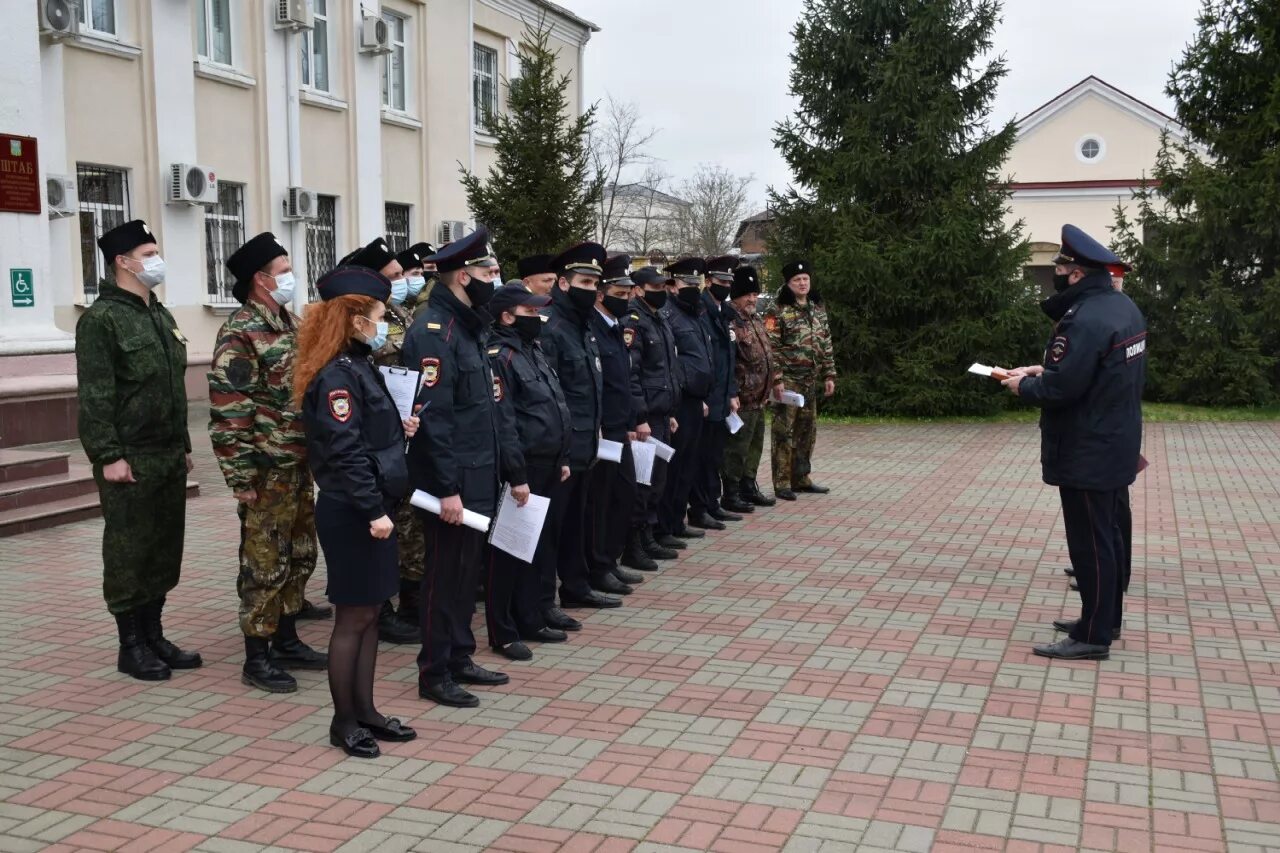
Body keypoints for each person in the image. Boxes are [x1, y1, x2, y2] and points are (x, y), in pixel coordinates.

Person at [1001, 224, 1146, 661]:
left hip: (1088, 446)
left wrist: (1022, 387)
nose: (1057, 274)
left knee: (1090, 542)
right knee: (1111, 534)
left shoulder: (1084, 318)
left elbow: (1065, 390)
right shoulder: (1122, 307)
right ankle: (1104, 619)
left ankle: (1093, 637)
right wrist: (1044, 371)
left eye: (1061, 267)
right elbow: (1098, 372)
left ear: (1078, 273)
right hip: (1115, 438)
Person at [296, 265, 419, 757]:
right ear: (354, 320)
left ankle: (365, 710)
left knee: (369, 614)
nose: (382, 323)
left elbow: (366, 436)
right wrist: (373, 511)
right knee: (352, 619)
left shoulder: (359, 365)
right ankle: (343, 722)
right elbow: (344, 452)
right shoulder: (337, 378)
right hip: (354, 513)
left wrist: (398, 432)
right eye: (377, 315)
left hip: (371, 508)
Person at [76, 219, 201, 682]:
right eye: (147, 254)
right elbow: (95, 395)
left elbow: (173, 388)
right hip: (129, 454)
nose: (155, 261)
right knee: (130, 551)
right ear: (122, 263)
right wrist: (108, 455)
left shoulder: (159, 314)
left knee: (164, 548)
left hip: (167, 452)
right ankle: (131, 644)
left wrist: (185, 445)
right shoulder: (100, 320)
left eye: (155, 252)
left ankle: (154, 634)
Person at [209, 232, 325, 693]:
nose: (291, 278)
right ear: (260, 279)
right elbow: (229, 410)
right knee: (264, 560)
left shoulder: (291, 324)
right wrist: (240, 478)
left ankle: (288, 637)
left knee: (299, 553)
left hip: (298, 463)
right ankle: (257, 656)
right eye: (283, 270)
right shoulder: (239, 332)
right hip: (265, 468)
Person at [402, 228, 510, 707]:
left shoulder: (468, 325)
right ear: (464, 276)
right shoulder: (433, 331)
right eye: (489, 272)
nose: (495, 279)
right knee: (443, 577)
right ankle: (434, 670)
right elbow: (432, 419)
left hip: (478, 475)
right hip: (453, 484)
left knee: (467, 576)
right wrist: (446, 488)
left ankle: (460, 654)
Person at [484, 284, 574, 661]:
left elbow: (552, 403)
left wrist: (562, 456)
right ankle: (502, 631)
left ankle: (530, 616)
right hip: (524, 467)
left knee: (536, 549)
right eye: (530, 312)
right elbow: (505, 423)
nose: (538, 319)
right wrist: (517, 475)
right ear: (508, 316)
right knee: (508, 552)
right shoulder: (500, 356)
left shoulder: (530, 350)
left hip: (548, 462)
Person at [343, 238, 419, 644]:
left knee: (402, 527)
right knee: (375, 526)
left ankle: (398, 601)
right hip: (369, 442)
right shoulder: (354, 333)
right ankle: (381, 609)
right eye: (392, 277)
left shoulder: (396, 313)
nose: (401, 282)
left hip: (395, 434)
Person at [541, 242, 622, 611]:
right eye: (584, 282)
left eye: (594, 284)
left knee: (577, 522)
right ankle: (543, 603)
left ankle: (575, 587)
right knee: (553, 528)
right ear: (562, 283)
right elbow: (551, 396)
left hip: (587, 442)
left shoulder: (582, 326)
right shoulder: (552, 328)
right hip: (563, 448)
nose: (590, 290)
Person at [584, 255, 647, 591]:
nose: (626, 300)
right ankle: (598, 567)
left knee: (622, 495)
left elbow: (625, 378)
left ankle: (609, 560)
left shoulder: (615, 327)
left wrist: (632, 419)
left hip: (618, 428)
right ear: (600, 294)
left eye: (627, 294)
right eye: (620, 295)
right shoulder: (593, 327)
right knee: (601, 501)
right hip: (601, 430)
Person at [621, 267, 683, 561]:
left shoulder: (660, 319)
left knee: (657, 482)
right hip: (646, 418)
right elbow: (632, 375)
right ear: (638, 289)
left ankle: (649, 535)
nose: (662, 291)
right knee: (642, 484)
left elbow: (667, 369)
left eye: (663, 286)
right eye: (655, 286)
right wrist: (640, 417)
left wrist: (668, 411)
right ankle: (634, 544)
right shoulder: (634, 322)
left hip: (661, 414)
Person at [765, 261, 836, 501]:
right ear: (788, 283)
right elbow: (771, 347)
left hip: (810, 381)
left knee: (807, 433)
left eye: (805, 278)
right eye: (797, 280)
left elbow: (825, 343)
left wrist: (829, 374)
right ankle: (782, 482)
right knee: (783, 433)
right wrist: (776, 378)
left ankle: (801, 478)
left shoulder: (817, 308)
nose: (803, 283)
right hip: (788, 382)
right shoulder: (778, 310)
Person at [657, 257, 714, 543]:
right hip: (679, 399)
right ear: (672, 285)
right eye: (687, 282)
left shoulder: (695, 312)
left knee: (688, 465)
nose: (693, 287)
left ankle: (678, 520)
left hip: (695, 399)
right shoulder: (668, 314)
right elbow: (672, 361)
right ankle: (665, 526)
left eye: (697, 282)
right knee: (674, 467)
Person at [689, 256, 744, 526]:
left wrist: (732, 392)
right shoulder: (701, 310)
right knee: (702, 457)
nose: (726, 286)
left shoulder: (725, 312)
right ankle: (699, 509)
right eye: (721, 281)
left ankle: (713, 502)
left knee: (715, 455)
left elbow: (729, 358)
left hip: (722, 395)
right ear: (708, 281)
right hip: (706, 397)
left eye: (729, 282)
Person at [722, 266, 780, 510]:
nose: (752, 299)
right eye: (748, 294)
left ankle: (749, 486)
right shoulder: (731, 320)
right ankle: (731, 493)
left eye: (755, 294)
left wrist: (774, 382)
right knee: (736, 449)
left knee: (754, 447)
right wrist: (732, 392)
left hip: (759, 398)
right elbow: (728, 361)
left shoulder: (755, 319)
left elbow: (767, 354)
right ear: (736, 294)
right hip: (742, 399)